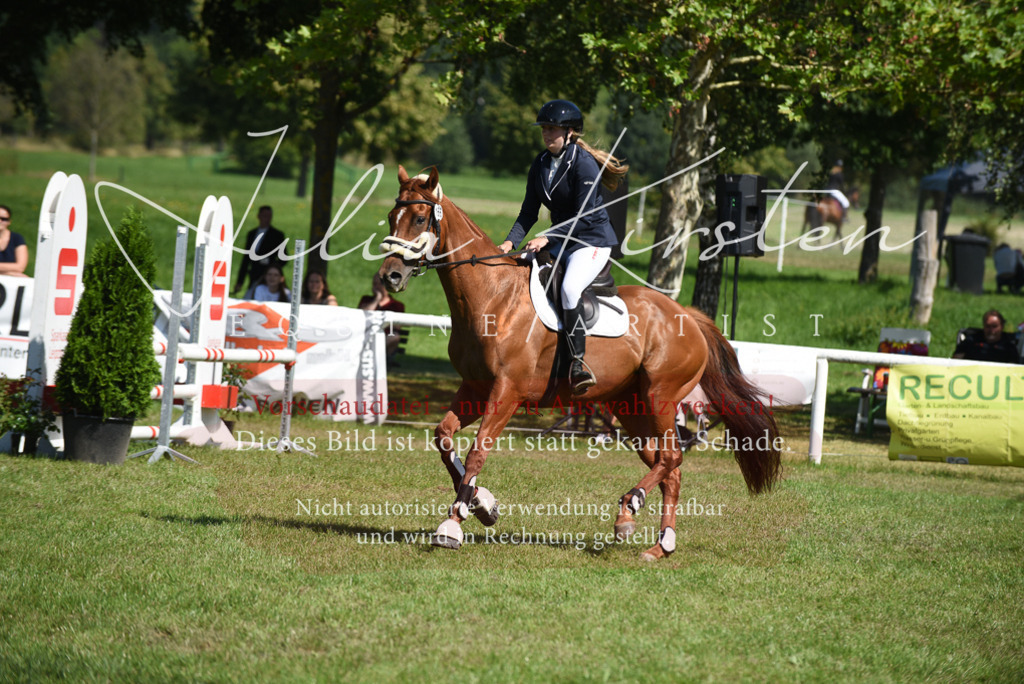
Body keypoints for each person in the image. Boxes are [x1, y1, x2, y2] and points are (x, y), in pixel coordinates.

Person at [497, 99, 628, 395]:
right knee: (522, 268)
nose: (546, 134)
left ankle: (577, 363)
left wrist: (549, 238)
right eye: (544, 128)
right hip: (562, 238)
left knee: (569, 288)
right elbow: (529, 211)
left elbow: (582, 216)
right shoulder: (541, 163)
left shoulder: (582, 164)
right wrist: (509, 242)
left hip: (590, 240)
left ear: (570, 132)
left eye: (552, 129)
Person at [233, 205, 287, 296]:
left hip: (268, 275)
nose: (267, 219)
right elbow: (246, 259)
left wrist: (272, 267)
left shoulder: (277, 235)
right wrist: (240, 281)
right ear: (259, 216)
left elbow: (284, 257)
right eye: (264, 216)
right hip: (254, 274)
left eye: (269, 216)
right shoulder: (252, 234)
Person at [359, 273, 405, 358]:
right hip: (365, 336)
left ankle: (379, 360)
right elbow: (362, 316)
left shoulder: (397, 305)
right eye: (374, 284)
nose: (375, 287)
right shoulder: (366, 300)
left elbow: (397, 326)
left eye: (379, 284)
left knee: (394, 337)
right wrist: (376, 300)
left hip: (384, 338)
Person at [953, 309, 1020, 363]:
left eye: (994, 326)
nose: (991, 330)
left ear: (1002, 327)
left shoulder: (1008, 346)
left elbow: (1014, 368)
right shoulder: (971, 341)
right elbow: (955, 361)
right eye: (988, 326)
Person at [0, 204, 29, 276]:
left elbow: (20, 267)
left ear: (9, 222)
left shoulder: (17, 238)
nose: (0, 221)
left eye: (4, 219)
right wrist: (10, 272)